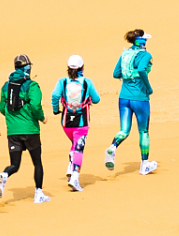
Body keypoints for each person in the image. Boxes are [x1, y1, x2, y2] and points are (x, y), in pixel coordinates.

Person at [0, 54, 49, 204]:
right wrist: (42, 118)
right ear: (28, 68)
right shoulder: (32, 85)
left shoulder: (6, 86)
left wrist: (12, 118)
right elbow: (36, 105)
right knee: (37, 162)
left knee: (15, 165)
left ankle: (4, 175)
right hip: (30, 130)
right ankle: (39, 193)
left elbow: (1, 108)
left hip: (13, 132)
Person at [105, 29, 157, 175]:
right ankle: (144, 164)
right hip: (140, 98)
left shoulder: (125, 54)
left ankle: (113, 147)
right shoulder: (146, 55)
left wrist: (128, 76)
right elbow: (141, 70)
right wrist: (148, 87)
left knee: (124, 130)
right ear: (142, 41)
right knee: (144, 131)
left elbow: (116, 74)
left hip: (124, 97)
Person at [50, 55, 101, 193]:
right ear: (82, 67)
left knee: (74, 144)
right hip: (82, 121)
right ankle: (75, 177)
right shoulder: (87, 82)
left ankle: (70, 167)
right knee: (79, 148)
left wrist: (56, 109)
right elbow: (96, 99)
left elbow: (54, 96)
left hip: (66, 122)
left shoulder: (62, 82)